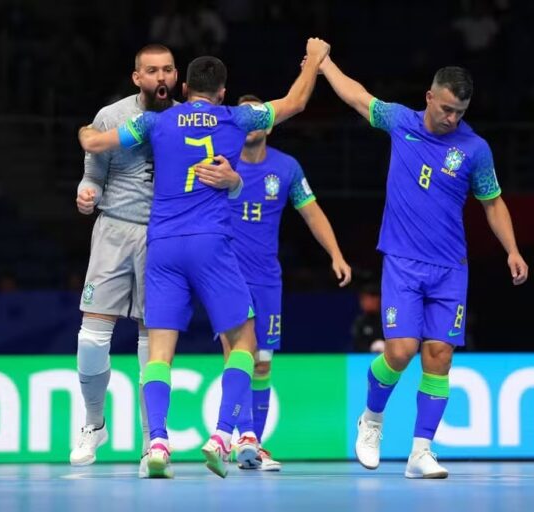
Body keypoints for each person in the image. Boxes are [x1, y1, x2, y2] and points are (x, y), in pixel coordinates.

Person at [79, 37, 331, 479]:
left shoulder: (154, 122)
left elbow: (100, 143)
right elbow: (296, 100)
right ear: (221, 91)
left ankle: (157, 443)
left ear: (184, 84)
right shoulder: (237, 117)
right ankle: (221, 435)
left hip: (163, 246)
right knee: (245, 343)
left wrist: (85, 134)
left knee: (158, 352)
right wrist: (312, 60)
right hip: (211, 244)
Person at [318, 58, 529, 478]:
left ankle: (421, 452)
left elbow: (493, 202)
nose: (451, 118)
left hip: (451, 267)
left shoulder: (474, 149)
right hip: (403, 261)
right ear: (429, 98)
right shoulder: (400, 121)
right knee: (400, 351)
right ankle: (372, 420)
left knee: (439, 356)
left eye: (460, 113)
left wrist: (512, 249)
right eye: (446, 108)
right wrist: (324, 64)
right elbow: (357, 97)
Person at [71, 44, 217, 478]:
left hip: (166, 238)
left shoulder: (190, 119)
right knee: (92, 337)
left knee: (151, 346)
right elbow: (93, 173)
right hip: (115, 231)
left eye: (168, 70)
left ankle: (149, 442)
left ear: (177, 77)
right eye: (151, 71)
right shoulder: (111, 117)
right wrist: (87, 193)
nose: (161, 78)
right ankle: (93, 423)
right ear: (137, 77)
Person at [220, 94, 352, 471]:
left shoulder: (287, 168)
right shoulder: (219, 163)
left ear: (271, 122)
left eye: (260, 115)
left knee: (262, 363)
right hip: (227, 276)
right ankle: (243, 436)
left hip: (266, 279)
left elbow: (312, 213)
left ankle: (253, 446)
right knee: (239, 356)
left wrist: (336, 255)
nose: (254, 121)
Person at [351, 282, 384, 353]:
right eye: (363, 299)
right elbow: (357, 345)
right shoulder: (360, 322)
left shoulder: (389, 320)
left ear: (378, 300)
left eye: (370, 299)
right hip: (365, 359)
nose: (366, 302)